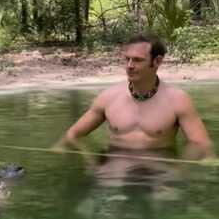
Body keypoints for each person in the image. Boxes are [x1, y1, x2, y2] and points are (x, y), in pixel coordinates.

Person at [52, 33, 213, 159]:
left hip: (159, 170)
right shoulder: (109, 97)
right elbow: (73, 134)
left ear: (157, 61)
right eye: (127, 59)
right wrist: (89, 160)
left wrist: (180, 172)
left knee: (167, 198)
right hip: (115, 168)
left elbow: (201, 144)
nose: (129, 66)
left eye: (137, 60)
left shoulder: (178, 100)